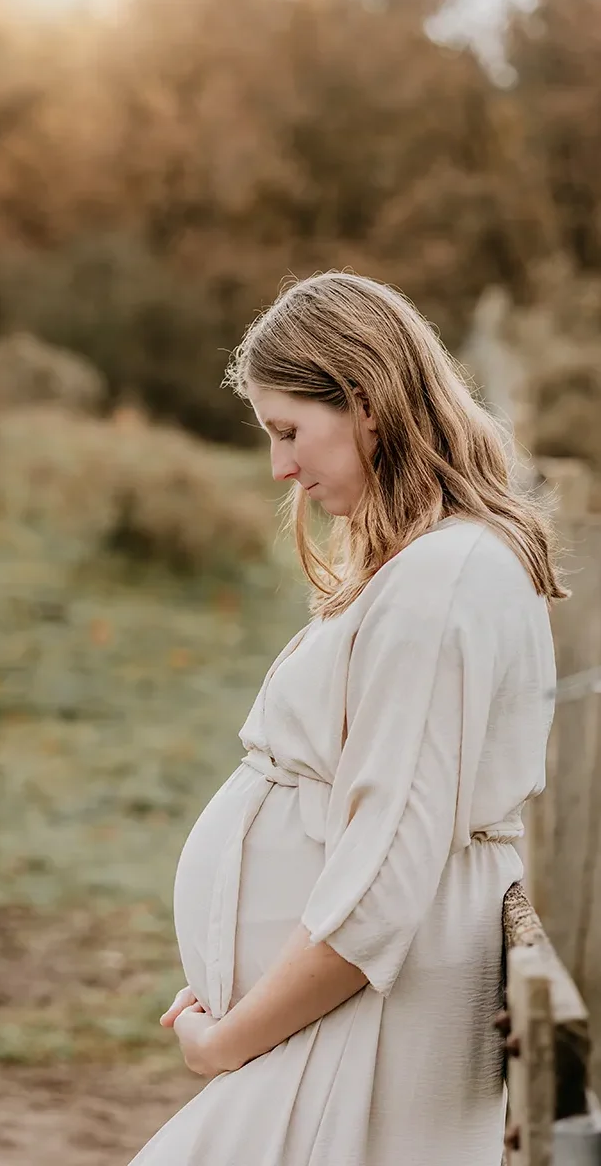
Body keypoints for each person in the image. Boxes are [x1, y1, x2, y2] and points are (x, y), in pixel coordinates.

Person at [128, 271, 564, 1166]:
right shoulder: (431, 566)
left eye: (290, 431)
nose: (281, 467)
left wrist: (232, 1035)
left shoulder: (442, 582)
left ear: (365, 401)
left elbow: (384, 876)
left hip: (374, 1009)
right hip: (352, 1007)